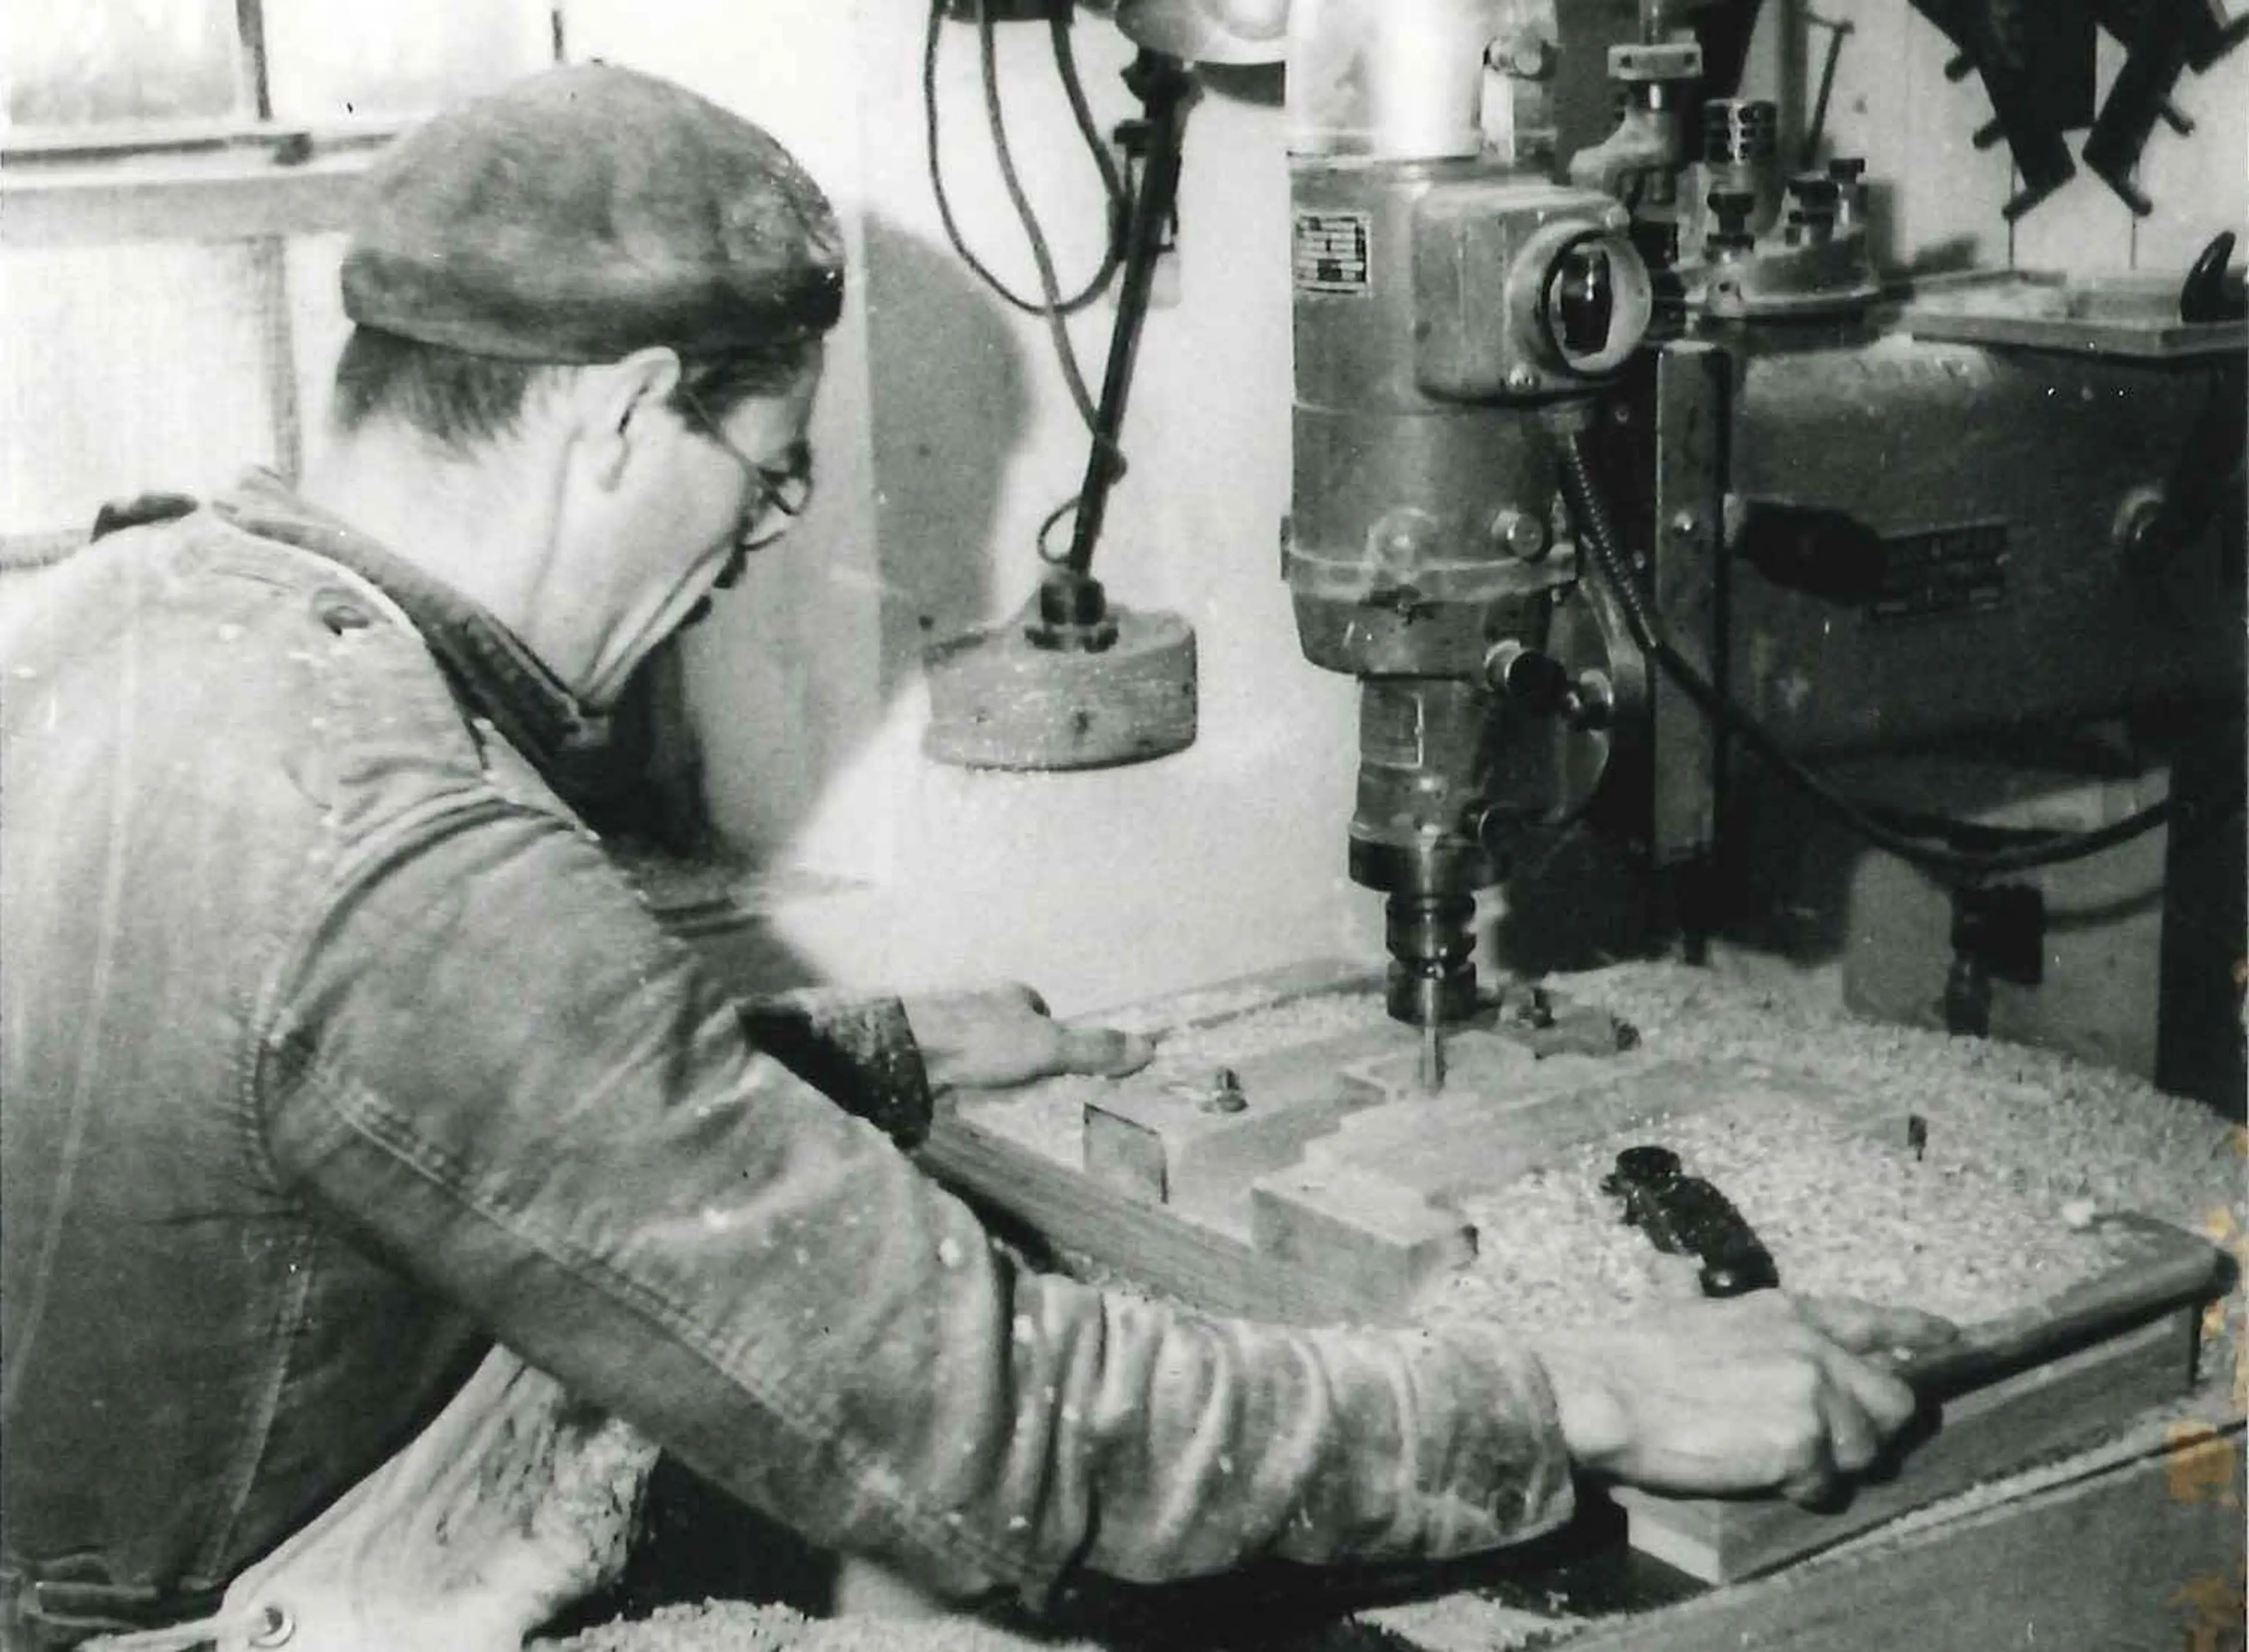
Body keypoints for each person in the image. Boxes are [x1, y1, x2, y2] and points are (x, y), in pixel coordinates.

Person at [0, 63, 1953, 1649]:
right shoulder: (428, 857)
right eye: (769, 481)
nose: (749, 553)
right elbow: (997, 1427)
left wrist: (870, 1051)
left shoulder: (125, 602)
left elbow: (415, 1103)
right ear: (618, 417)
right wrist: (1581, 1393)